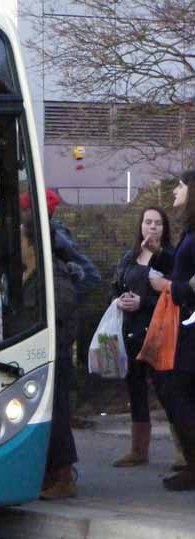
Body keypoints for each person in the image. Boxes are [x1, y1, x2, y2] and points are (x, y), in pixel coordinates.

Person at [18, 221, 80, 500]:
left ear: (33, 244)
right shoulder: (28, 273)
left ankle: (65, 477)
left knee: (56, 415)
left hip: (55, 354)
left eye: (21, 238)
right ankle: (49, 473)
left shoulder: (53, 273)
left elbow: (64, 308)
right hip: (34, 353)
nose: (17, 244)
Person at [110, 207, 175, 467]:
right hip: (131, 333)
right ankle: (138, 450)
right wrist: (119, 300)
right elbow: (116, 287)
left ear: (164, 228)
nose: (152, 227)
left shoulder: (170, 258)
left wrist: (144, 302)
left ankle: (184, 450)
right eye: (148, 222)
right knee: (135, 389)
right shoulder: (130, 257)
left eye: (158, 223)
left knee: (168, 390)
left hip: (160, 333)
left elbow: (176, 294)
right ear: (141, 226)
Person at [149, 171, 195, 491]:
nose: (176, 190)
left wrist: (170, 287)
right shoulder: (189, 231)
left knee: (176, 390)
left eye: (181, 185)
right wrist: (162, 254)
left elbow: (187, 283)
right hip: (187, 325)